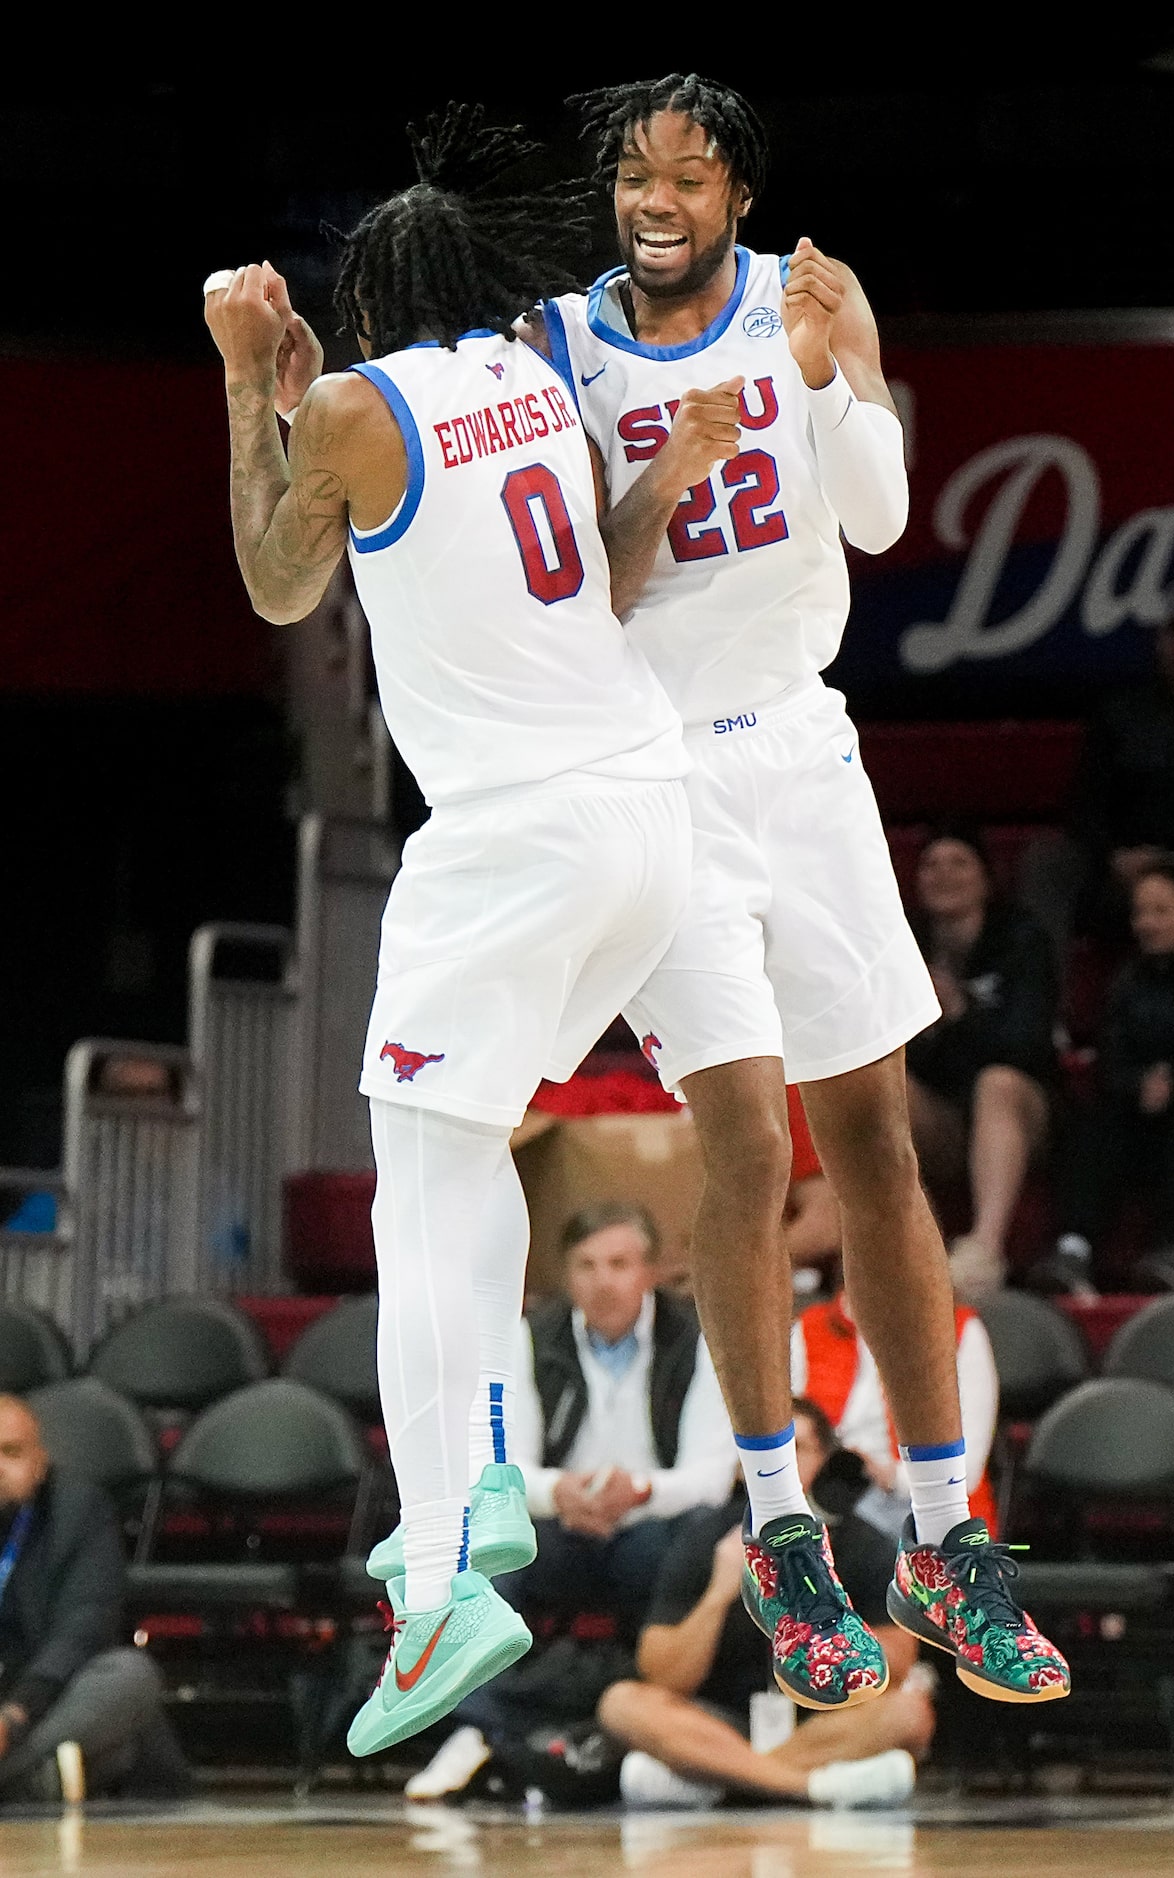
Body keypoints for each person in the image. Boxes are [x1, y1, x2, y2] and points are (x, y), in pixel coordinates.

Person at [533, 72, 1069, 1707]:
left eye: (687, 174)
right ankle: (776, 1531)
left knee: (879, 1148)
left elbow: (886, 514)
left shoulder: (801, 299)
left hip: (807, 751)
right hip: (658, 768)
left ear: (734, 196)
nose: (657, 197)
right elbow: (580, 597)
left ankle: (943, 1529)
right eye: (633, 172)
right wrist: (667, 470)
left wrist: (858, 379)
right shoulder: (559, 348)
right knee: (746, 1137)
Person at [203, 105, 715, 1757]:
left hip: (510, 841)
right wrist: (303, 415)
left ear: (358, 300)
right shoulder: (530, 382)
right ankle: (468, 1500)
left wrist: (241, 382)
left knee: (423, 1178)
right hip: (643, 815)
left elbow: (279, 585)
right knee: (461, 1144)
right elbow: (599, 582)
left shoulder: (358, 403)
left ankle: (445, 1566)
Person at [596, 1399, 930, 1808]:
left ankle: (720, 1781)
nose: (782, 1468)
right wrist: (720, 1591)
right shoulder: (707, 1539)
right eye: (766, 1455)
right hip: (717, 1723)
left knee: (909, 1713)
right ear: (743, 1467)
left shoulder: (866, 1546)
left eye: (797, 1451)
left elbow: (890, 1671)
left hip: (824, 1726)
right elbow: (662, 1675)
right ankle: (805, 1787)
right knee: (622, 1703)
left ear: (825, 1461)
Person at [502, 1202, 735, 1629]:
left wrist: (640, 1491)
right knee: (493, 1540)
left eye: (619, 1264)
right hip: (561, 1520)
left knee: (700, 1536)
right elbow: (505, 1466)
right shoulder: (530, 1338)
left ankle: (657, 1679)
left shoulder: (698, 1342)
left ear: (650, 1272)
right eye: (586, 1266)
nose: (603, 1282)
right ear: (566, 1276)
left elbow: (711, 1479)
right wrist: (557, 1491)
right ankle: (493, 1692)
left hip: (656, 1520)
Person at [1030, 857, 1174, 1296]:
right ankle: (1073, 1246)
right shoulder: (1128, 980)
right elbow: (1111, 1065)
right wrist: (1143, 1085)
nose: (1147, 923)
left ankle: (1171, 1250)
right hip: (1143, 1116)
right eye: (1140, 913)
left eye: (1161, 911)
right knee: (1094, 1121)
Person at [1022, 583, 1174, 963]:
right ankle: (1038, 1013)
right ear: (1160, 639)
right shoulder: (1122, 712)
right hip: (1125, 880)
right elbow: (1086, 804)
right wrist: (1115, 857)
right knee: (1049, 860)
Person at [0, 1396, 188, 1804]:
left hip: (42, 1702)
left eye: (10, 1452)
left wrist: (13, 1716)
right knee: (120, 1748)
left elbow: (83, 1629)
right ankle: (30, 1783)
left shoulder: (78, 1510)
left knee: (129, 1676)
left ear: (40, 1462)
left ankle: (14, 1780)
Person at [905, 829, 1058, 1302]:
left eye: (959, 862)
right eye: (931, 864)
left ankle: (984, 1248)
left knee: (998, 1083)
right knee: (878, 1085)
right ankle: (912, 1245)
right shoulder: (902, 944)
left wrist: (960, 1014)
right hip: (945, 1117)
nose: (944, 874)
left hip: (1021, 1113)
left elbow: (1026, 1046)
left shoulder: (1023, 941)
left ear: (987, 880)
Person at [792, 1287, 1000, 1538]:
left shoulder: (958, 1330)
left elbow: (967, 1471)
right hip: (827, 1498)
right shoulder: (809, 1327)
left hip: (919, 1505)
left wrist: (890, 1476)